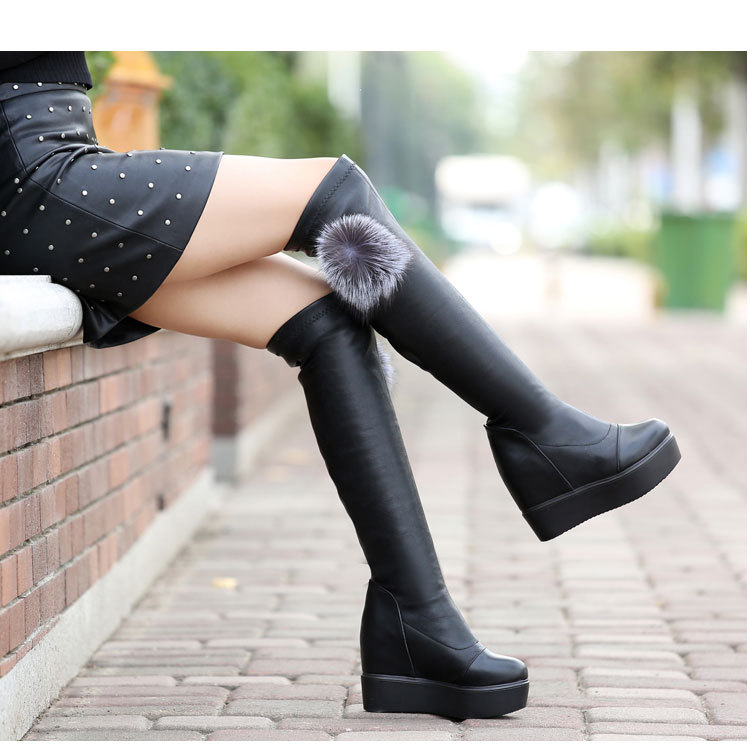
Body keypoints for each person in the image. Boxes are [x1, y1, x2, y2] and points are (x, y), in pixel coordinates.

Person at [0, 51, 681, 720]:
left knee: (326, 320)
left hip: (51, 179)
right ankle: (543, 434)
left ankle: (417, 624)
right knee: (335, 194)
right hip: (33, 182)